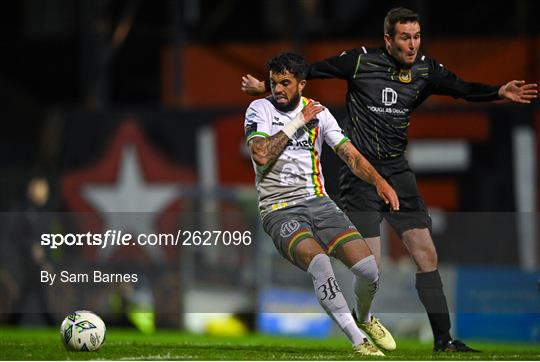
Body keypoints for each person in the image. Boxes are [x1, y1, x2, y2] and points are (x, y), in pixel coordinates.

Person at [241, 7, 538, 353]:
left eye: (416, 37)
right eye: (405, 37)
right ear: (388, 39)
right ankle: (361, 319)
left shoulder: (425, 70)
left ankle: (444, 340)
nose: (412, 45)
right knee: (371, 266)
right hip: (359, 178)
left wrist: (498, 92)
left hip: (395, 172)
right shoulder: (360, 62)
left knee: (425, 254)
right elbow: (313, 71)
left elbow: (460, 88)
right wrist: (269, 87)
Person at [245, 52, 401, 356]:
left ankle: (365, 319)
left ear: (302, 84)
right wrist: (296, 123)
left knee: (369, 270)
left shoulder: (320, 113)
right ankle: (359, 342)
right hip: (278, 209)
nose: (278, 89)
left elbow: (350, 155)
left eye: (285, 83)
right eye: (274, 82)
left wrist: (379, 181)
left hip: (319, 202)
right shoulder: (259, 108)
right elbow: (261, 154)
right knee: (320, 263)